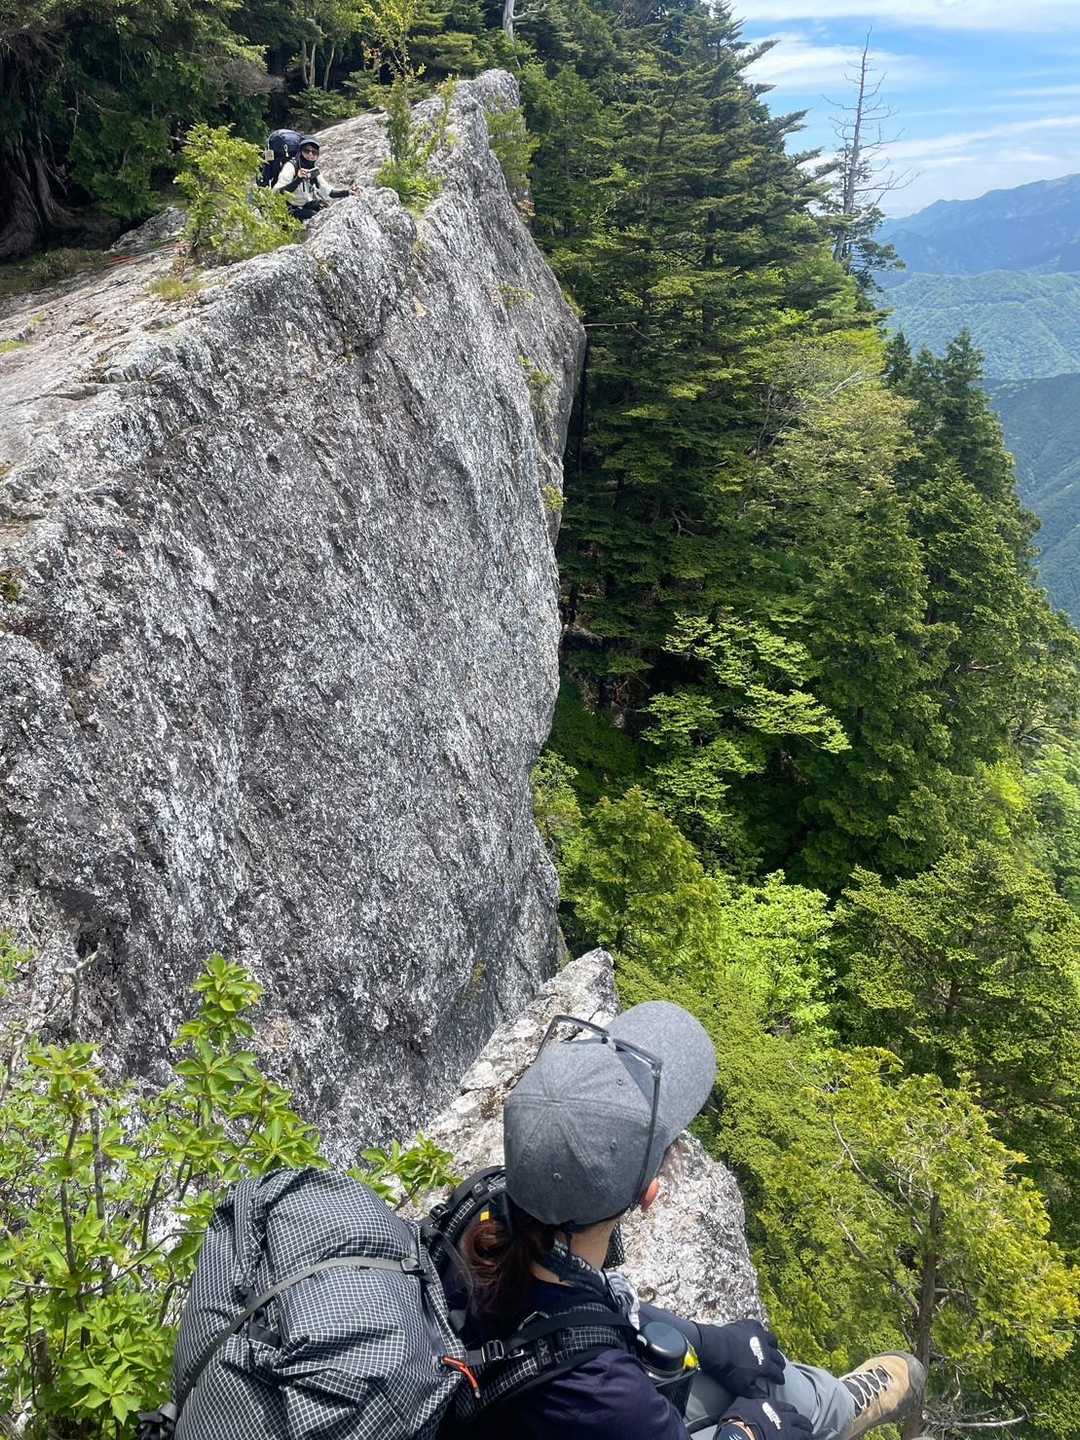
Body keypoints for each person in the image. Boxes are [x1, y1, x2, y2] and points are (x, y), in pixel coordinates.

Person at [459, 1003, 926, 1440]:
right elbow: (590, 1371)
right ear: (649, 1192)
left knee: (775, 1385)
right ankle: (837, 1409)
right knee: (781, 1415)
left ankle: (835, 1401)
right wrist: (744, 1432)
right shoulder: (610, 1396)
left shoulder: (477, 1216)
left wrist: (705, 1340)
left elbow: (575, 1311)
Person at [272, 136, 351, 221]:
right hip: (289, 207)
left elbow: (329, 192)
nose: (310, 154)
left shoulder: (313, 170)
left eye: (314, 152)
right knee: (315, 216)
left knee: (325, 209)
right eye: (307, 151)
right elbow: (277, 193)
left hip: (304, 204)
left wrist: (348, 192)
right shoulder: (290, 167)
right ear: (300, 151)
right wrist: (298, 180)